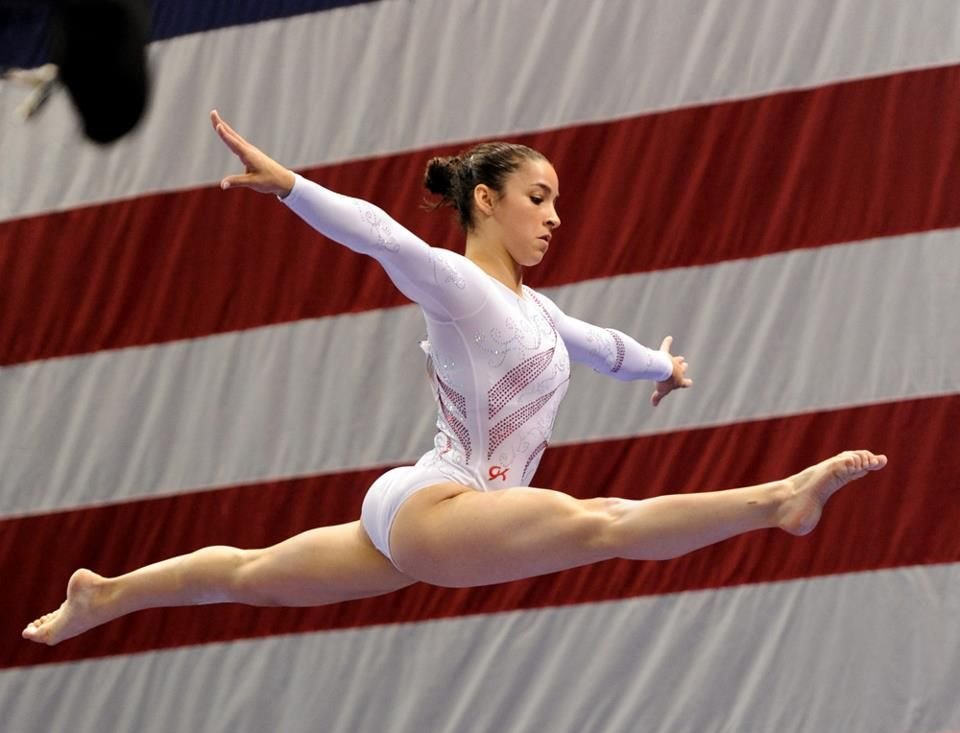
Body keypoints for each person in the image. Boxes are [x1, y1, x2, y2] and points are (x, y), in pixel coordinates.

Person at [23, 110, 887, 646]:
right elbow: (382, 236)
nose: (554, 216)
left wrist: (665, 365)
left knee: (249, 576)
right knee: (602, 523)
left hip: (427, 507)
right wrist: (291, 186)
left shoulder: (538, 313)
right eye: (538, 197)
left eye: (556, 201)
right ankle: (779, 500)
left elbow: (605, 348)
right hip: (443, 505)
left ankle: (105, 594)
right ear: (485, 200)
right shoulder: (458, 286)